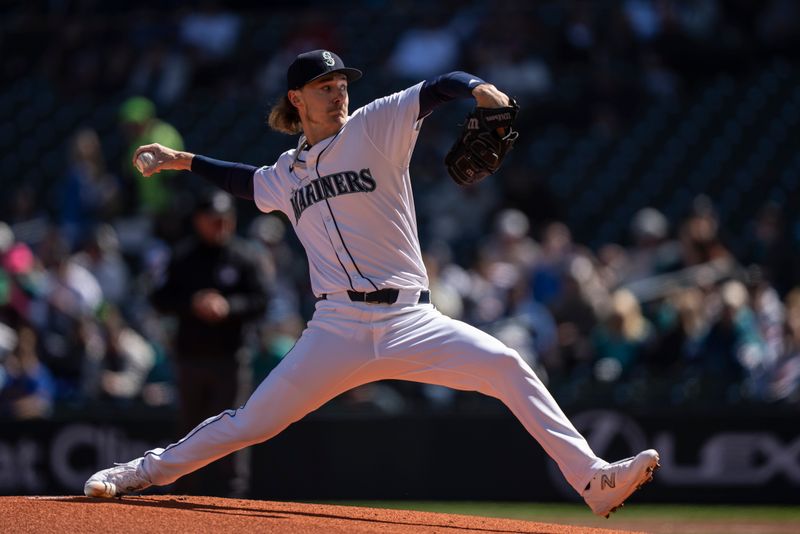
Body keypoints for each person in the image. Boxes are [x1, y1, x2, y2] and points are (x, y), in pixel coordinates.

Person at [84, 49, 659, 518]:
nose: (339, 92)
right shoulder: (286, 173)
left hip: (411, 319)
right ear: (297, 98)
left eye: (341, 83)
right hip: (335, 328)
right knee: (252, 423)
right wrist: (180, 159)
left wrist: (480, 87)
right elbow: (245, 181)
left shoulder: (374, 126)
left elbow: (439, 85)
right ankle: (141, 472)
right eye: (325, 85)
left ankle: (592, 479)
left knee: (507, 365)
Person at [149, 189, 270, 496]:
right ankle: (183, 494)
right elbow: (159, 298)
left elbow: (262, 300)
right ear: (198, 220)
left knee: (233, 428)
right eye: (213, 219)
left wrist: (228, 307)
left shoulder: (244, 255)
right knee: (189, 428)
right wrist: (193, 303)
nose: (220, 225)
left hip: (230, 358)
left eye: (225, 218)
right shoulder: (183, 256)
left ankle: (233, 498)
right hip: (190, 357)